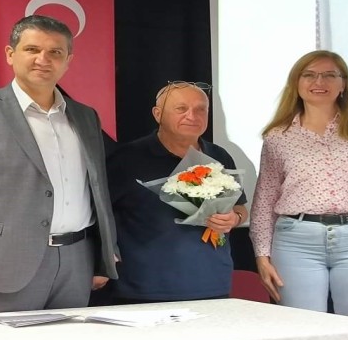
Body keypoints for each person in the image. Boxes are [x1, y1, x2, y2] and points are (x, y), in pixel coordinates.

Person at [0, 15, 119, 313]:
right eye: (32, 49)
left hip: (77, 263)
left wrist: (104, 256)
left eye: (55, 52)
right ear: (10, 54)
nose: (43, 59)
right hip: (3, 266)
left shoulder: (86, 116)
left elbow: (96, 191)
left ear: (68, 61)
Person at [249, 50, 348, 321]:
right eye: (309, 75)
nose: (318, 82)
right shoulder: (277, 136)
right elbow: (265, 199)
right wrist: (262, 255)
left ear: (343, 83)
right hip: (296, 243)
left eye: (329, 75)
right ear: (296, 82)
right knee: (304, 330)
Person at [106, 81, 248, 304]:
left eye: (201, 109)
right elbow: (99, 216)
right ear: (157, 114)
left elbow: (240, 206)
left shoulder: (219, 155)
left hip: (212, 283)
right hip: (142, 287)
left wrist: (235, 218)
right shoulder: (126, 158)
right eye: (181, 109)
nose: (192, 116)